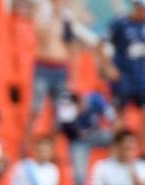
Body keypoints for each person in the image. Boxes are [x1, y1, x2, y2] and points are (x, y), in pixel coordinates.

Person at [25, 0, 99, 147]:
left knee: (60, 114)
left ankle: (52, 149)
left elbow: (72, 47)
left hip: (60, 70)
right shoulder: (43, 14)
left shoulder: (67, 20)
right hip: (43, 67)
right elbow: (41, 37)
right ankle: (26, 147)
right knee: (35, 109)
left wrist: (73, 76)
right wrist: (52, 17)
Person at [58, 90, 115, 185]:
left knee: (118, 139)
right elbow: (66, 132)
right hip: (79, 141)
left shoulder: (94, 100)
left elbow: (112, 115)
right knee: (79, 179)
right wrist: (76, 130)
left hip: (96, 134)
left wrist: (113, 125)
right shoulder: (66, 110)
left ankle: (116, 170)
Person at [107, 0, 145, 150]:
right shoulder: (121, 23)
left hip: (141, 79)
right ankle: (115, 151)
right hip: (123, 78)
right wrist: (108, 67)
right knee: (119, 115)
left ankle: (142, 151)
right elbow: (101, 43)